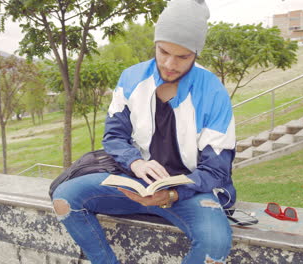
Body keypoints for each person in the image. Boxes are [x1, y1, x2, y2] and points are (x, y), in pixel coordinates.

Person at [52, 0, 236, 263]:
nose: (170, 64)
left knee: (215, 243)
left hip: (191, 192)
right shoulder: (131, 78)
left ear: (196, 53)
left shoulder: (213, 92)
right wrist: (135, 162)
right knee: (65, 199)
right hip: (136, 184)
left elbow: (216, 170)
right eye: (163, 52)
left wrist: (172, 193)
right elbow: (114, 137)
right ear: (155, 44)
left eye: (182, 56)